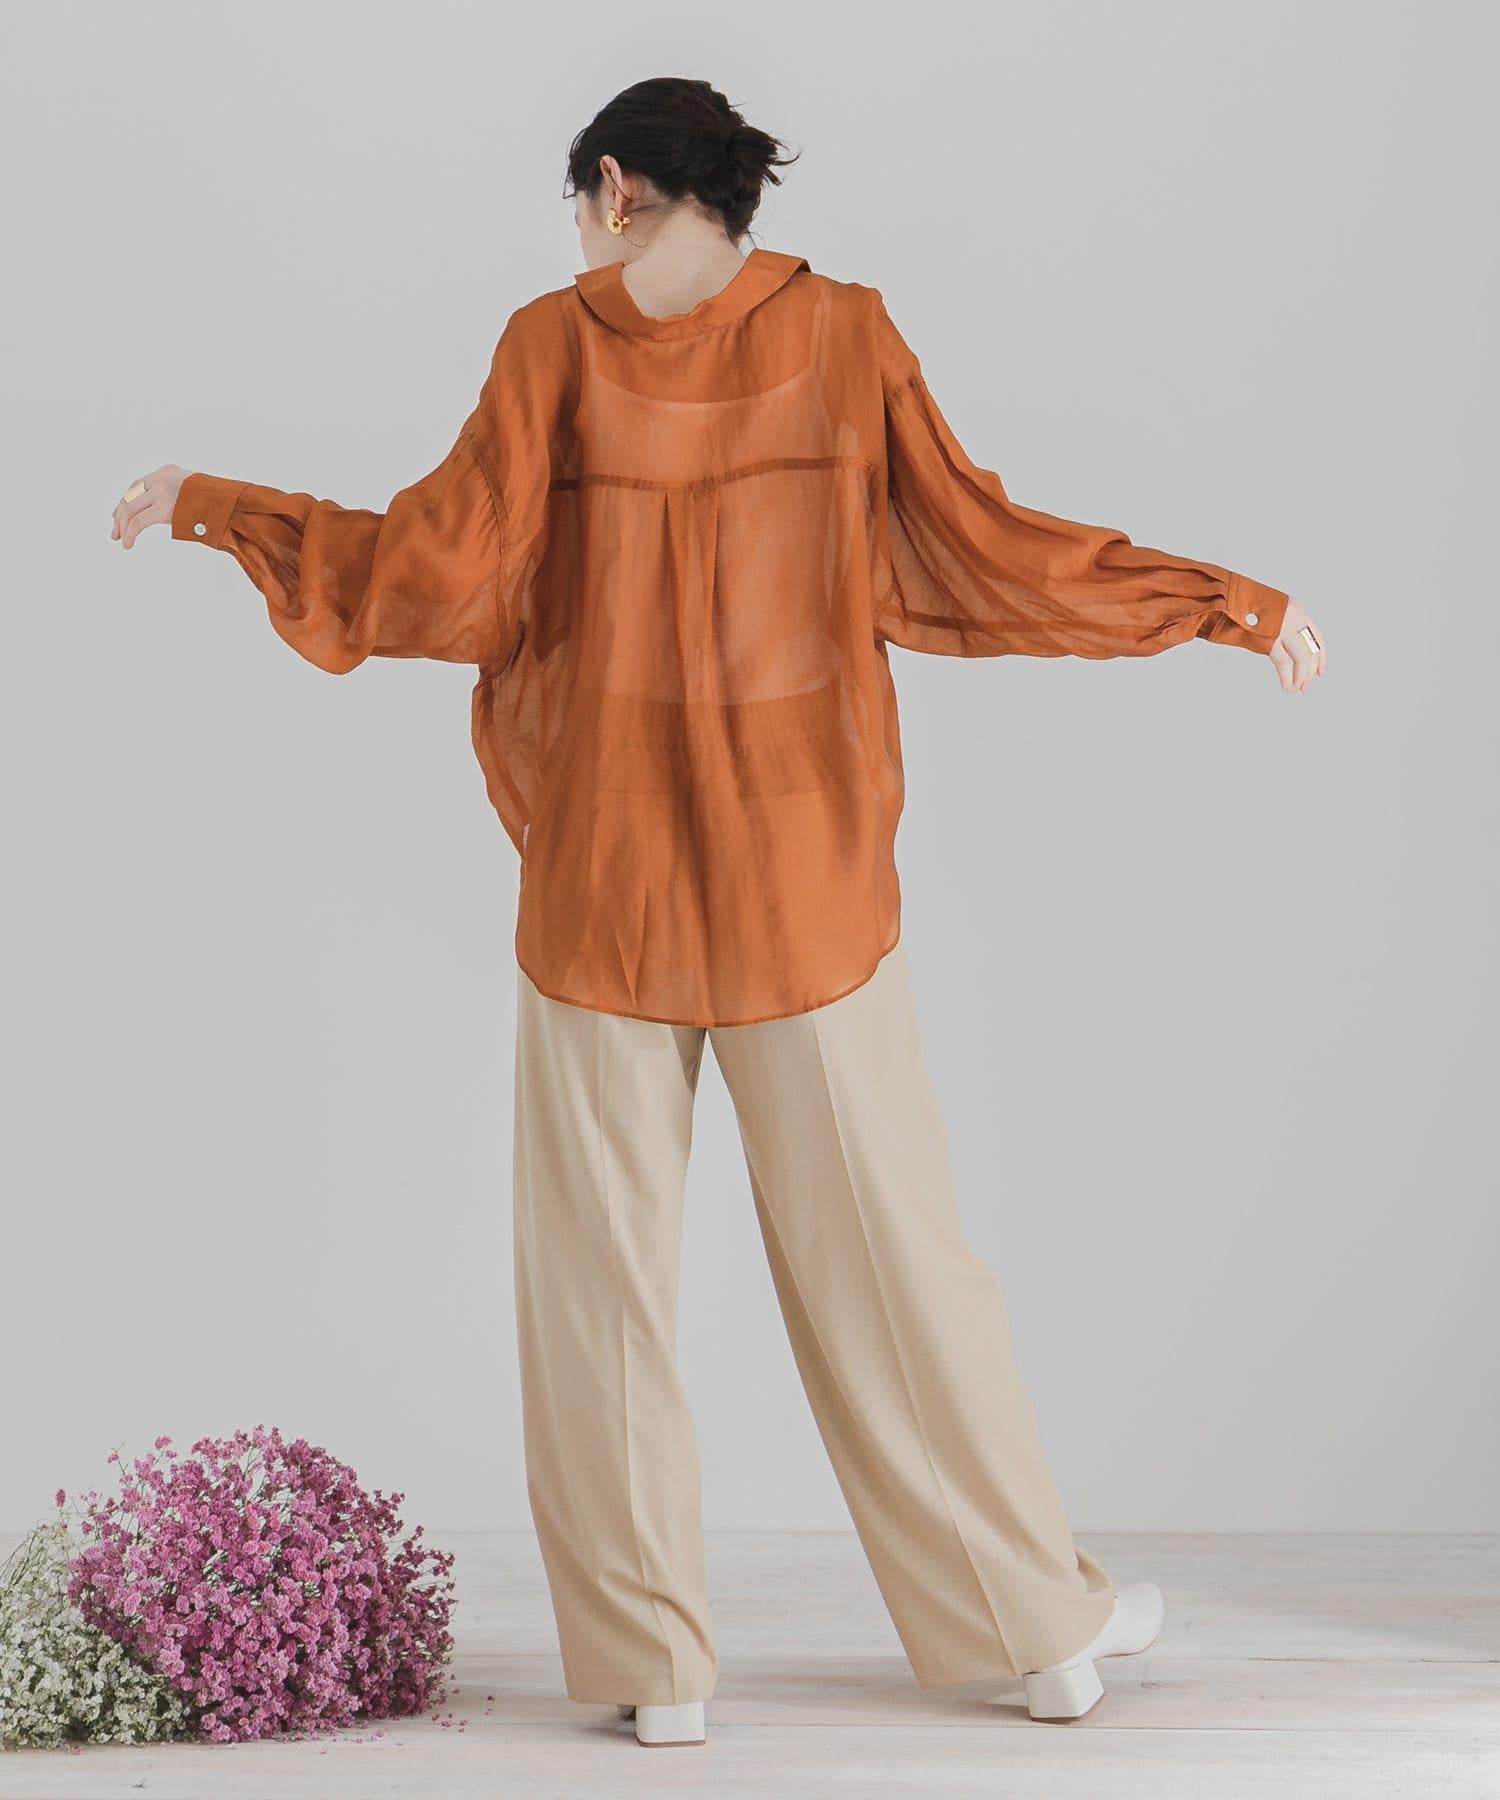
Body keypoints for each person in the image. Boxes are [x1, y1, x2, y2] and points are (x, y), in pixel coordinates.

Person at [111, 75, 1327, 1749]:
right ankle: (1037, 1636)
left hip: (601, 884)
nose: (576, 236)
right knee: (900, 1273)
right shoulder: (846, 336)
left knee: (597, 1289)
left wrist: (213, 503)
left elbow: (432, 574)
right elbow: (982, 549)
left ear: (617, 188)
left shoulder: (550, 347)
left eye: (578, 205)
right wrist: (1220, 604)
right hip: (802, 885)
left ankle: (653, 1674)